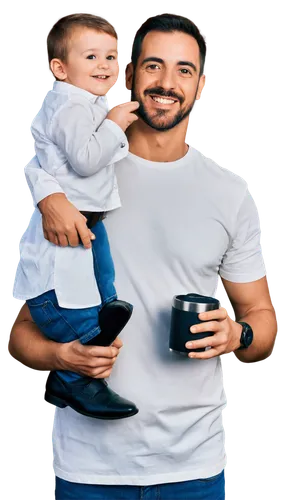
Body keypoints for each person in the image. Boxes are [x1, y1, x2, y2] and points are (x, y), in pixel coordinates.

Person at [8, 11, 278, 500]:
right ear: (127, 75)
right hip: (89, 472)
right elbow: (23, 330)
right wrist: (61, 356)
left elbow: (262, 319)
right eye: (153, 66)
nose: (167, 83)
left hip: (193, 468)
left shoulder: (230, 194)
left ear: (202, 87)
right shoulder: (70, 187)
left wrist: (236, 333)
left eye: (184, 70)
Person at [10, 11, 140, 420]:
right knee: (81, 304)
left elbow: (44, 159)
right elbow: (84, 160)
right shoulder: (71, 103)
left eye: (111, 57)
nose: (104, 66)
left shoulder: (85, 102)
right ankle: (77, 379)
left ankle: (103, 319)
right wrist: (117, 124)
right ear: (59, 68)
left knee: (105, 287)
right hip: (72, 224)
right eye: (91, 57)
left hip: (91, 219)